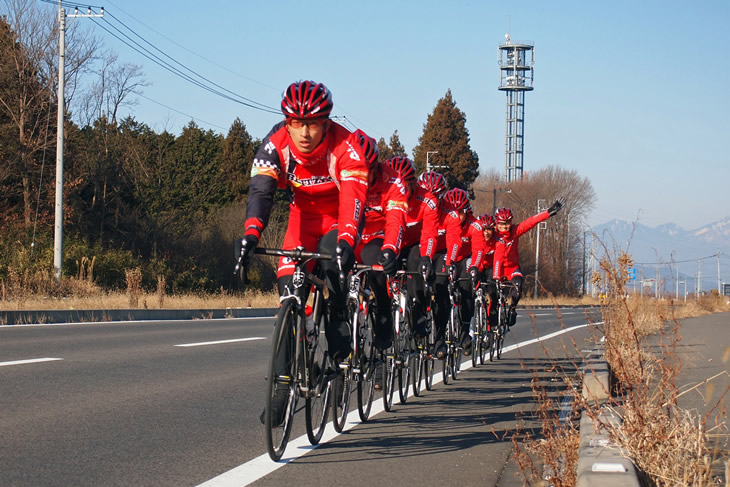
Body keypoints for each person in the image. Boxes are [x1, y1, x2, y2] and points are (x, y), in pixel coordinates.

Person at [236, 80, 370, 364]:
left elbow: (353, 198)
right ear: (287, 122)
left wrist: (347, 240)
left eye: (313, 123)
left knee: (335, 272)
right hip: (302, 222)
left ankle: (338, 338)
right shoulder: (275, 144)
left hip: (337, 221)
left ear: (326, 123)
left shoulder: (347, 147)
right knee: (289, 296)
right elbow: (261, 191)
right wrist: (251, 235)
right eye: (297, 123)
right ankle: (280, 397)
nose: (305, 132)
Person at [354, 141, 410, 351]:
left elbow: (396, 221)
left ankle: (383, 312)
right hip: (353, 236)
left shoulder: (392, 181)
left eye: (365, 170)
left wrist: (390, 250)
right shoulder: (345, 177)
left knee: (374, 259)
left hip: (377, 238)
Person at [492, 198, 564, 325]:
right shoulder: (492, 234)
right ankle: (488, 322)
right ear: (496, 223)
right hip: (496, 269)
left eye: (507, 223)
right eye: (501, 223)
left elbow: (531, 221)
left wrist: (548, 212)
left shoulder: (515, 231)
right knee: (494, 296)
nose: (504, 226)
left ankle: (512, 309)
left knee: (518, 287)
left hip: (512, 268)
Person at [432, 188, 485, 358]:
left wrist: (475, 266)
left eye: (460, 212)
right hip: (445, 255)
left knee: (466, 285)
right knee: (440, 286)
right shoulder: (441, 218)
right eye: (453, 211)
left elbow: (478, 250)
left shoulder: (474, 225)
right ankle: (439, 332)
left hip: (464, 258)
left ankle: (464, 328)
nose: (457, 216)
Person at [402, 171, 446, 338]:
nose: (432, 198)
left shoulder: (446, 211)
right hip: (408, 244)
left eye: (436, 195)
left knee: (440, 287)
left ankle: (438, 334)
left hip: (436, 251)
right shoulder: (409, 200)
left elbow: (450, 238)